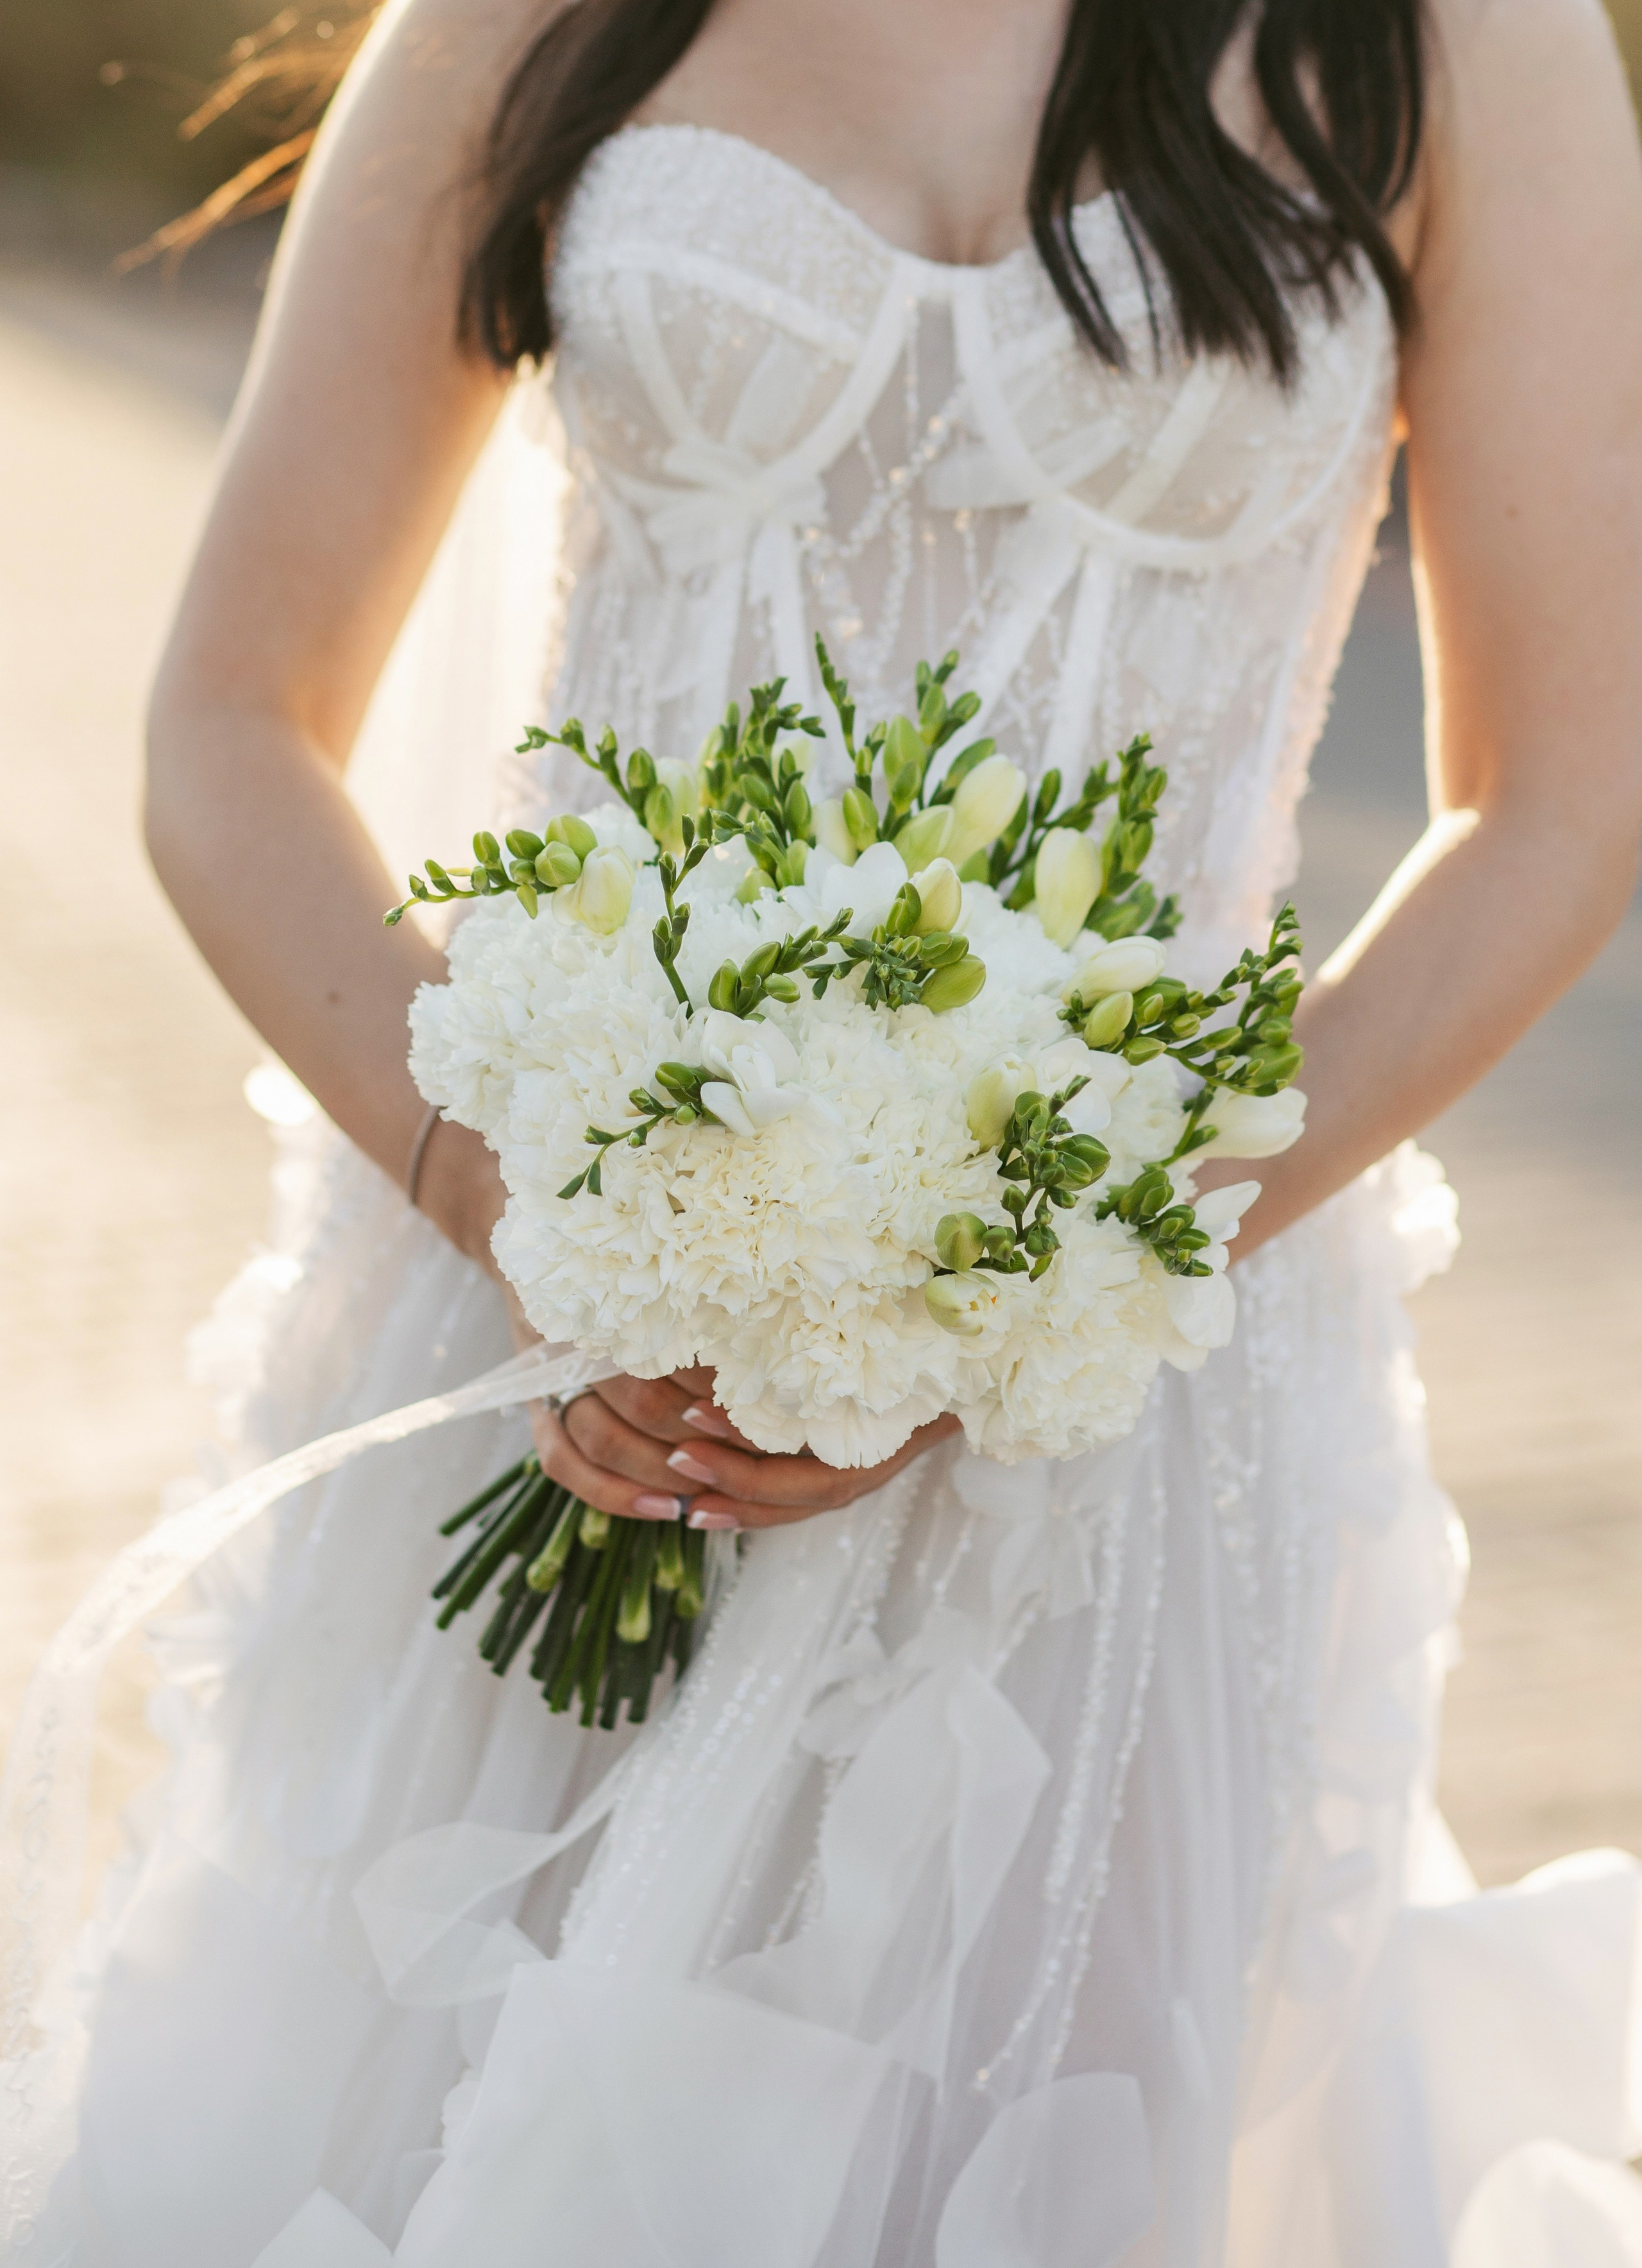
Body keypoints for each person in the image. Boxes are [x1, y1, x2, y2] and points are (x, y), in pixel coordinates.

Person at [7, 0, 1642, 2259]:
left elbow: (1557, 803)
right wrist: (526, 1208)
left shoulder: (1455, 38)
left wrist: (1058, 1267)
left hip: (1134, 1399)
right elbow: (230, 721)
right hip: (551, 1345)